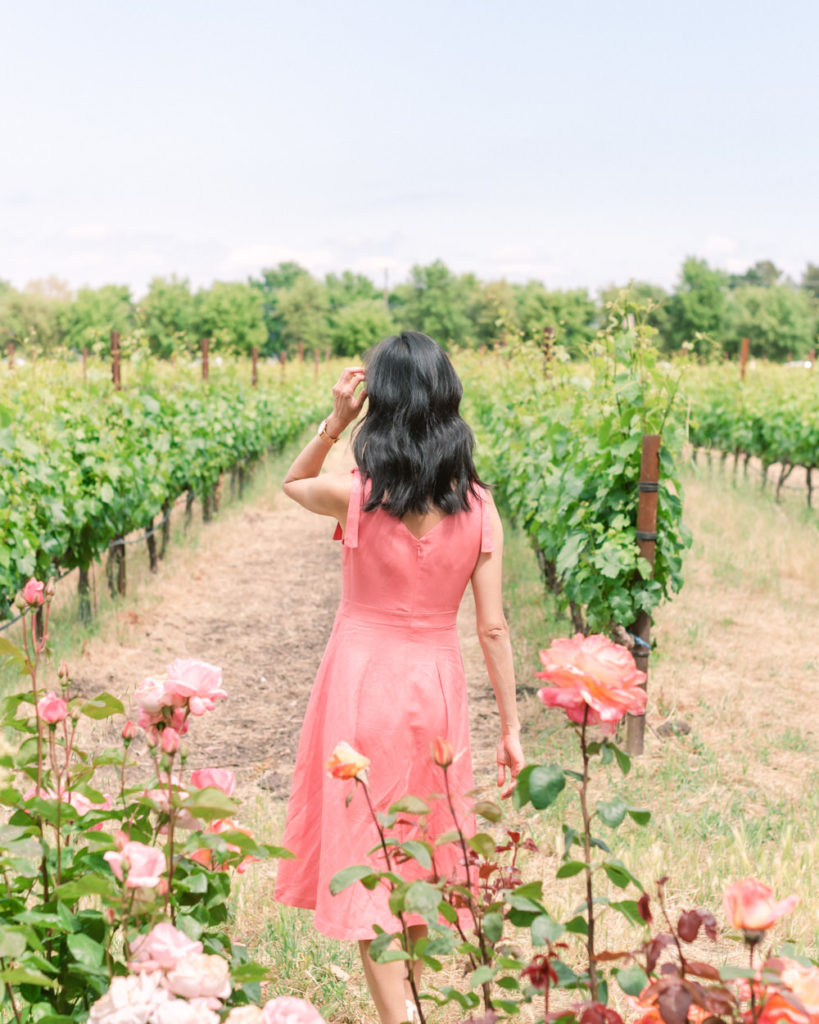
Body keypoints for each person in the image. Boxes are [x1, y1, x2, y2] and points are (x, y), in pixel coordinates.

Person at [274, 331, 525, 1024]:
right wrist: (509, 728)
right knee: (421, 855)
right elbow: (493, 627)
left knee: (364, 855)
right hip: (436, 685)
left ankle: (401, 1019)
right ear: (448, 404)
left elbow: (292, 482)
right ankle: (416, 1008)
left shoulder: (360, 496)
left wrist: (334, 423)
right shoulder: (478, 507)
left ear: (379, 405)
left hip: (360, 684)